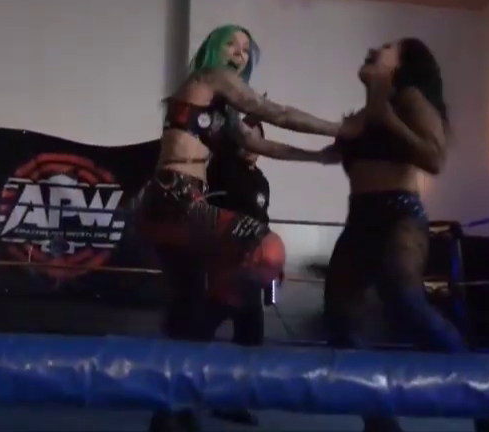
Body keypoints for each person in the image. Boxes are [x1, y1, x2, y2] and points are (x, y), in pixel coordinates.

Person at [136, 24, 358, 432]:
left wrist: (319, 158)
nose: (239, 55)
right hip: (174, 201)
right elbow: (279, 113)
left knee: (186, 315)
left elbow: (262, 145)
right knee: (267, 249)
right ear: (213, 49)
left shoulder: (223, 109)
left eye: (244, 50)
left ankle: (169, 412)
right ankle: (212, 322)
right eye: (231, 45)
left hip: (176, 206)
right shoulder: (210, 78)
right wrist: (342, 129)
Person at [325, 38, 489, 432]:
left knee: (404, 299)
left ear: (403, 65)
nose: (375, 48)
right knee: (341, 318)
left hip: (399, 214)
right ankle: (381, 425)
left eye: (387, 47)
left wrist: (385, 114)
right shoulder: (365, 114)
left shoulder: (410, 98)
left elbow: (434, 158)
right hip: (359, 217)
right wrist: (260, 141)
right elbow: (327, 147)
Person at [204, 120, 284, 427]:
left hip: (254, 265)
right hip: (226, 261)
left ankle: (230, 400)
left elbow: (262, 220)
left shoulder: (261, 180)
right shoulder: (222, 168)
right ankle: (176, 394)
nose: (252, 144)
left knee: (250, 336)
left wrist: (273, 261)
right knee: (201, 325)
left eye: (256, 138)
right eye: (246, 137)